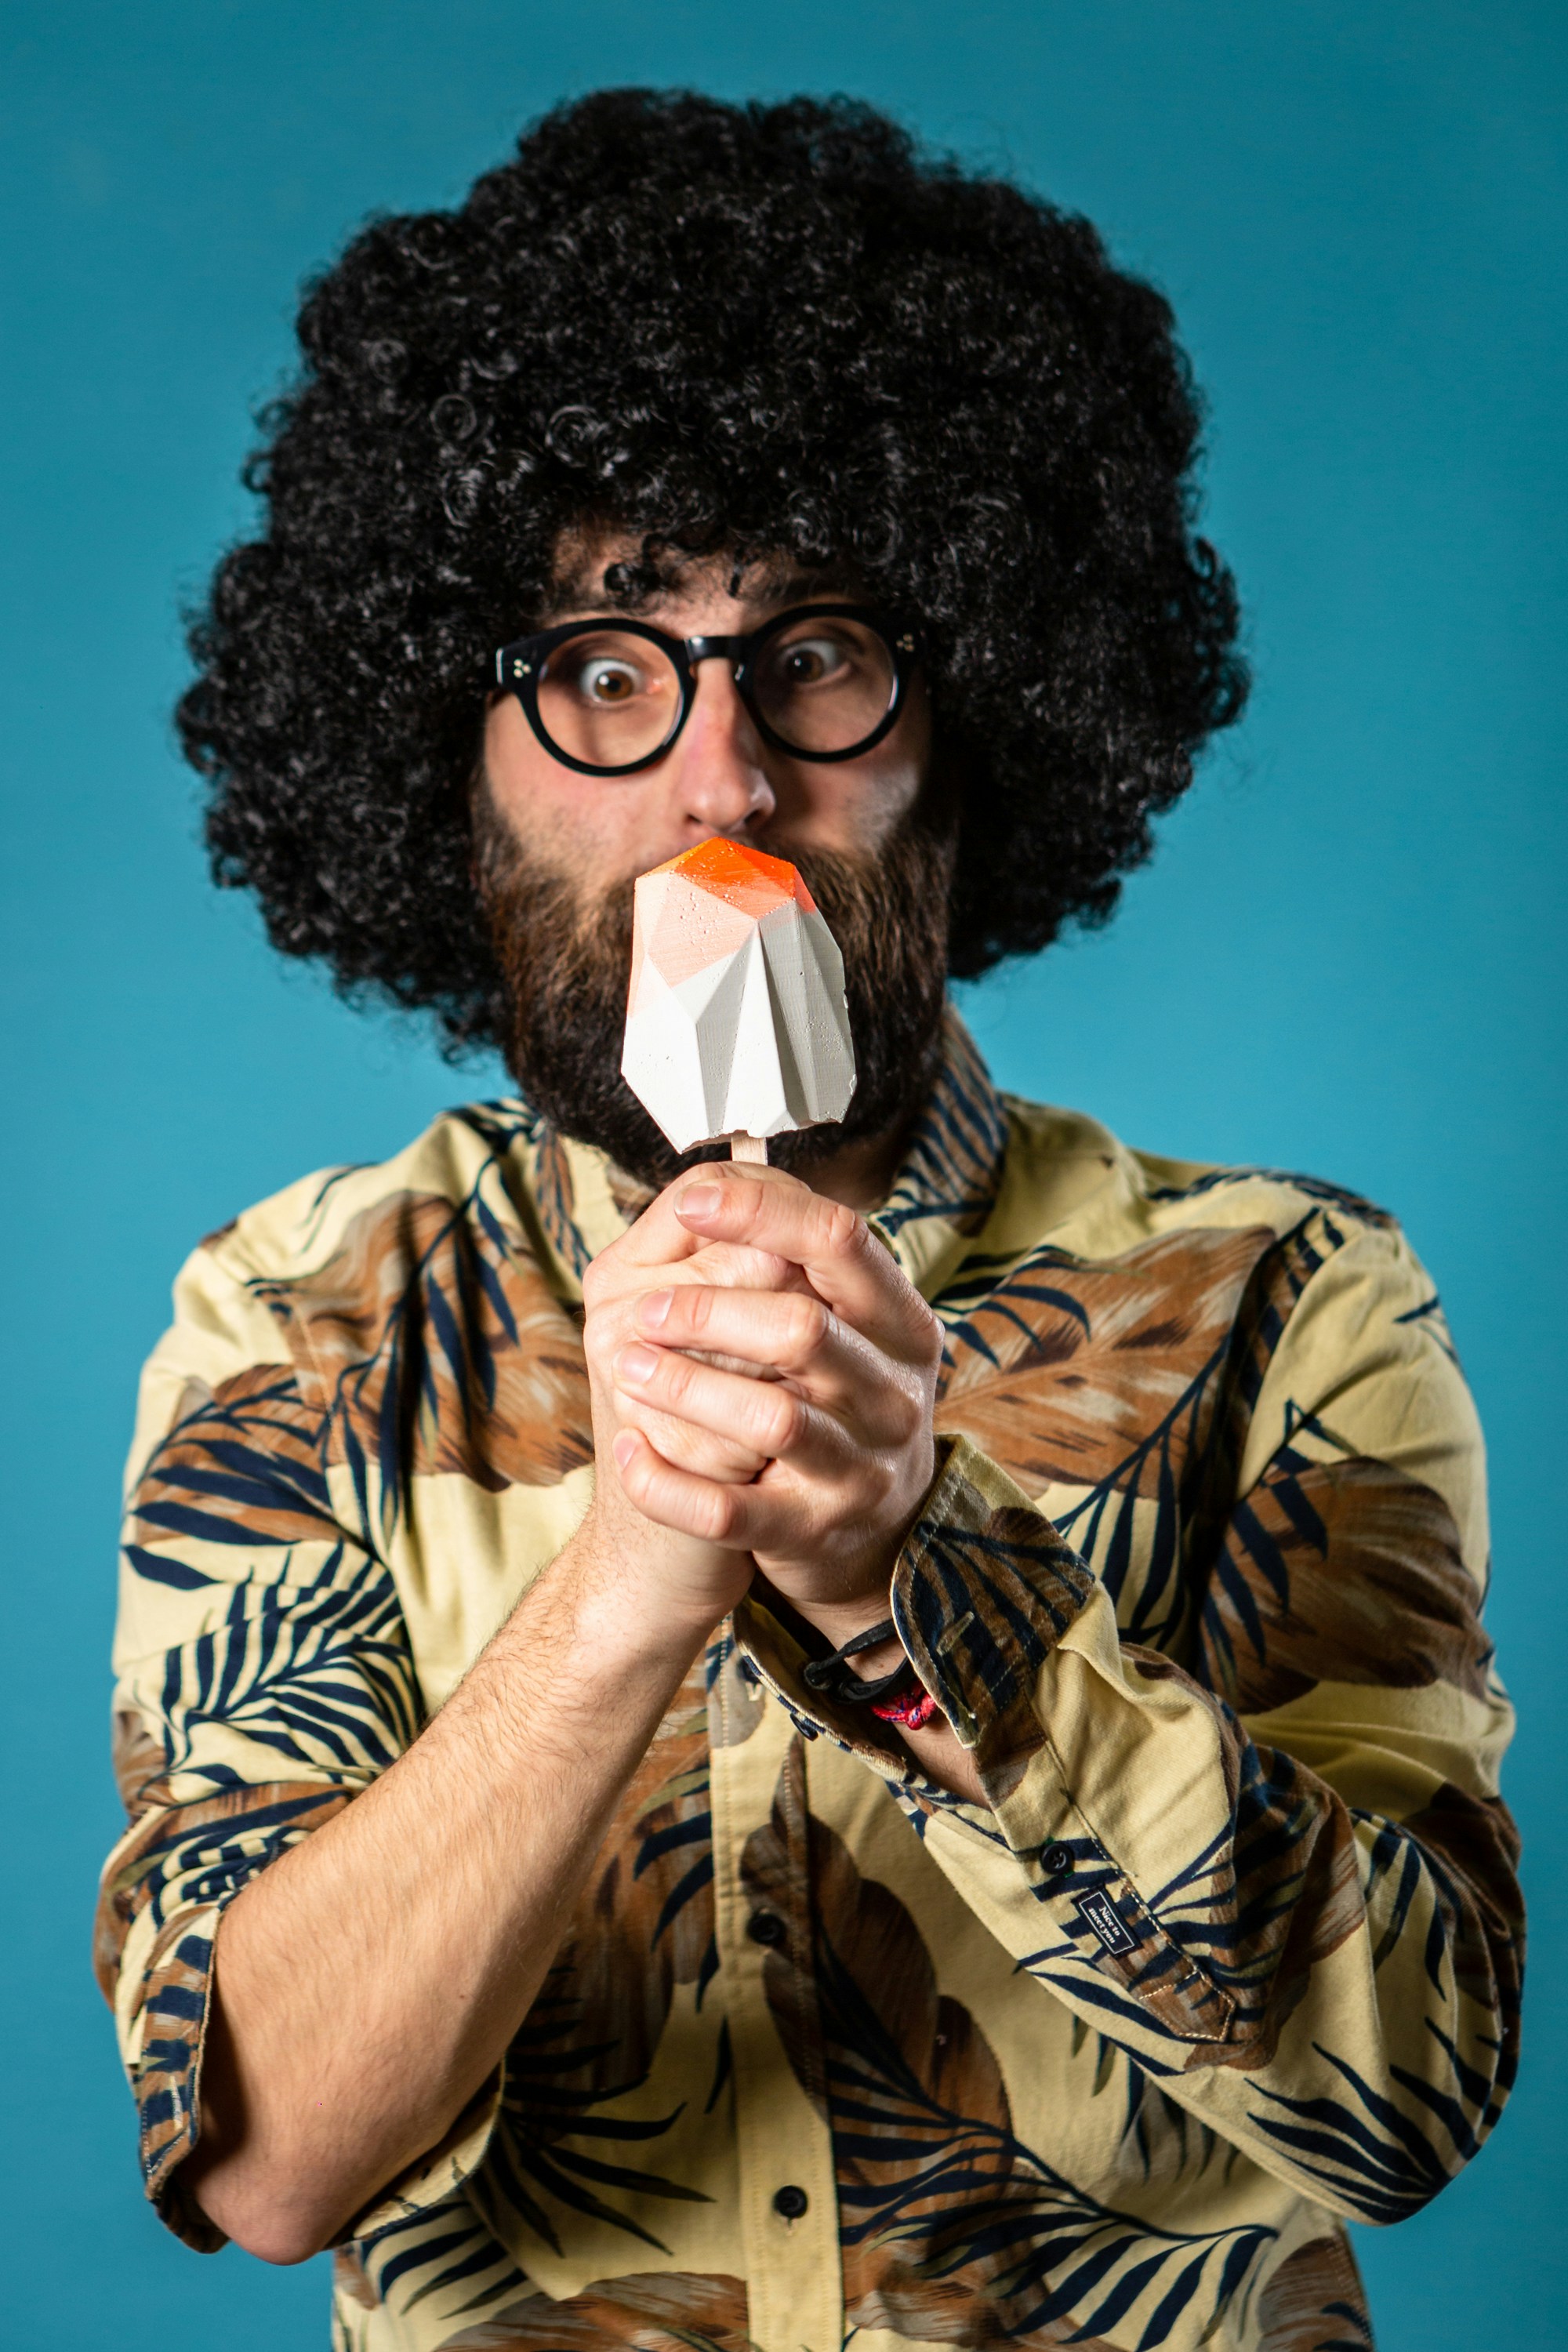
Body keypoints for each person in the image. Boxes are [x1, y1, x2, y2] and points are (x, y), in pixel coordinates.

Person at [96, 89, 1523, 2352]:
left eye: (818, 659)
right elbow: (262, 2162)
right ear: (446, 759)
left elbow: (1418, 2103)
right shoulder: (300, 1323)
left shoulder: (1286, 1299)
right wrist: (631, 1585)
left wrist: (911, 1587)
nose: (721, 781)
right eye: (602, 670)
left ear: (967, 723)